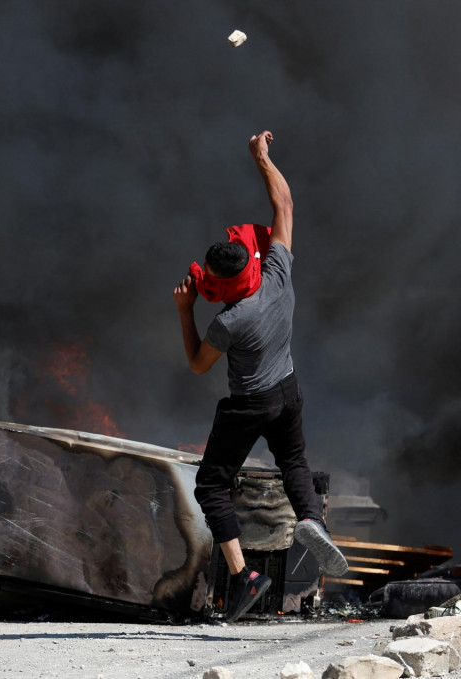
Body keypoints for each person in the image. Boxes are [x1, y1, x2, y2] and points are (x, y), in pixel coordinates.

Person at [172, 130, 348, 622]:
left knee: (211, 484)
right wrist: (262, 158)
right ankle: (311, 519)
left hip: (249, 403)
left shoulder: (228, 321)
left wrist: (185, 311)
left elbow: (197, 364)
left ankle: (246, 576)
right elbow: (285, 204)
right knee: (293, 460)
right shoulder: (277, 273)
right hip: (288, 389)